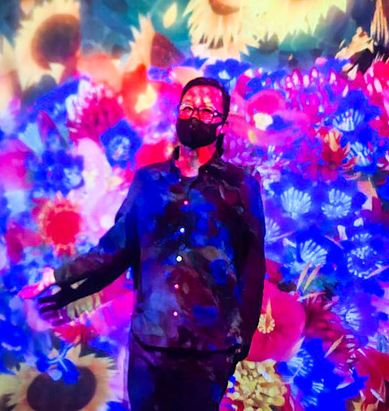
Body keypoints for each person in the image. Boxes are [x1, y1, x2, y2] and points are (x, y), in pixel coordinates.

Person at [22, 77, 266, 410]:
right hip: (150, 344)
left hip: (209, 350)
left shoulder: (241, 186)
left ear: (222, 125)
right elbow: (115, 250)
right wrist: (60, 278)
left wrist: (243, 337)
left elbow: (252, 265)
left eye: (207, 110)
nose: (195, 115)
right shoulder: (148, 181)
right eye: (188, 107)